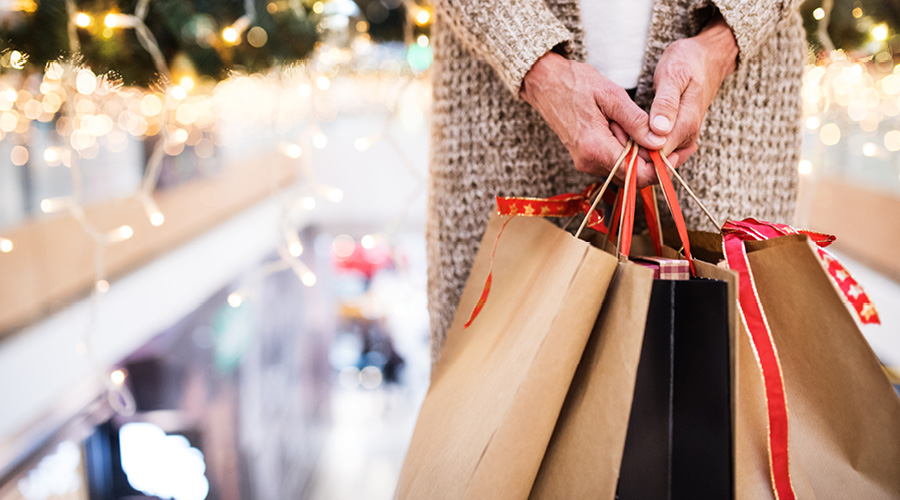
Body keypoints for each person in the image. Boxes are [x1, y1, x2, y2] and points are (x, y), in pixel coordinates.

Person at [426, 0, 806, 362]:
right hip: (504, 107)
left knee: (720, 384)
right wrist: (530, 59)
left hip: (732, 102)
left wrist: (723, 43)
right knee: (499, 385)